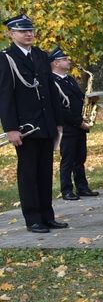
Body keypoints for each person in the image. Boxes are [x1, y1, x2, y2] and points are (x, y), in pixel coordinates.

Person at [1, 14, 66, 233]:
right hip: (26, 127)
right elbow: (5, 96)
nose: (28, 34)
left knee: (45, 172)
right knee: (28, 174)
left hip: (45, 124)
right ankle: (33, 219)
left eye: (30, 30)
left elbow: (50, 91)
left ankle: (47, 216)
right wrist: (10, 128)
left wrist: (57, 122)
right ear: (11, 34)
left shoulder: (40, 55)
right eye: (22, 31)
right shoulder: (6, 58)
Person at [49, 47, 97, 200]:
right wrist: (78, 122)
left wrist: (91, 100)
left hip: (79, 125)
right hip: (67, 127)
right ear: (56, 63)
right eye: (64, 59)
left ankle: (82, 187)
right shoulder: (52, 81)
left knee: (80, 157)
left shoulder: (69, 79)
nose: (68, 61)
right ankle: (66, 190)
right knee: (68, 159)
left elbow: (78, 98)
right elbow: (59, 108)